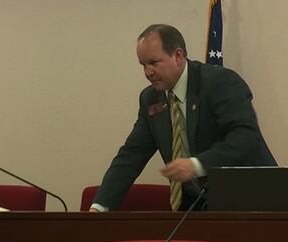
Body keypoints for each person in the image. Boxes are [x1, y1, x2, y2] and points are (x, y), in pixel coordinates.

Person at [90, 24, 276, 212]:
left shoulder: (219, 82)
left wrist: (197, 165)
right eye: (143, 65)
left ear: (178, 56)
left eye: (154, 63)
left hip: (254, 202)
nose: (148, 72)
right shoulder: (151, 99)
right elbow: (130, 156)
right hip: (197, 208)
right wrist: (99, 206)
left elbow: (246, 135)